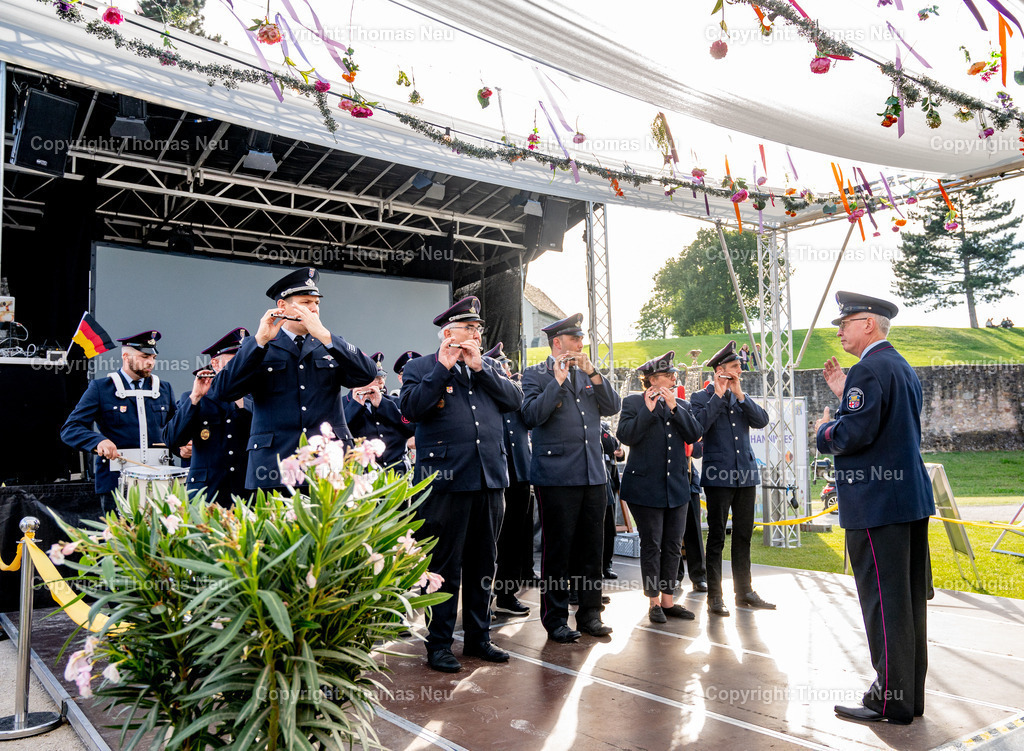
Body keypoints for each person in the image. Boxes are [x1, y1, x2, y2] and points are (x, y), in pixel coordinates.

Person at [814, 291, 935, 726]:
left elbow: (852, 435)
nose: (840, 329)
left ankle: (888, 699)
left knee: (883, 604)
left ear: (869, 324)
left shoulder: (869, 368)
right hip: (907, 500)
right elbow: (883, 424)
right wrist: (847, 394)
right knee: (905, 603)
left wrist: (825, 430)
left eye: (846, 322)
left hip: (877, 503)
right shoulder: (899, 365)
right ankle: (908, 697)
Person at [399, 297, 523, 673]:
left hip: (488, 480)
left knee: (484, 562)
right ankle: (438, 643)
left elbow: (515, 401)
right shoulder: (420, 367)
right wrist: (442, 368)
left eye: (478, 330)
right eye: (469, 329)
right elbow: (411, 410)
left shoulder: (489, 367)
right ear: (448, 332)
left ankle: (479, 638)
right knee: (444, 567)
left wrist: (480, 368)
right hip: (445, 485)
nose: (476, 335)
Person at [209, 267, 378, 491]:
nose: (314, 309)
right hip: (274, 465)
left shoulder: (329, 344)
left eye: (316, 303)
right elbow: (223, 391)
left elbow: (367, 374)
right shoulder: (260, 346)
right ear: (282, 306)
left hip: (326, 466)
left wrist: (326, 336)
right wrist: (258, 342)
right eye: (306, 302)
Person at [521, 313, 621, 643]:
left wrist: (592, 371)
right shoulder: (536, 375)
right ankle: (556, 619)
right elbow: (532, 415)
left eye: (581, 339)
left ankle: (590, 614)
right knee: (558, 552)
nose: (581, 344)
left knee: (591, 549)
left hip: (592, 474)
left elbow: (612, 405)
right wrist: (558, 381)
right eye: (575, 339)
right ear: (557, 343)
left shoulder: (587, 374)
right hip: (556, 477)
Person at [616, 351, 702, 623]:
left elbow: (694, 435)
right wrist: (648, 410)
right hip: (645, 488)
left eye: (673, 374)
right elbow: (626, 435)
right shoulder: (633, 402)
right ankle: (653, 602)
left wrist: (675, 408)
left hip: (676, 487)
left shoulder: (681, 405)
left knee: (674, 544)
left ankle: (668, 601)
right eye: (669, 375)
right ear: (652, 380)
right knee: (652, 544)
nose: (674, 377)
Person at [689, 340, 774, 617]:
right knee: (716, 537)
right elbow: (699, 427)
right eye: (736, 366)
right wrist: (719, 393)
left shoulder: (741, 396)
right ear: (720, 369)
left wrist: (739, 394)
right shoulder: (701, 398)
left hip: (746, 475)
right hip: (718, 478)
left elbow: (761, 420)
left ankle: (744, 591)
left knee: (744, 535)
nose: (741, 370)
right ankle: (715, 595)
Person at [61, 330, 177, 509]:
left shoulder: (164, 388)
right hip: (116, 482)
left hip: (160, 480)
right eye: (145, 356)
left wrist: (184, 444)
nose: (150, 362)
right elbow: (71, 428)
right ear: (125, 356)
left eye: (153, 357)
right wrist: (98, 442)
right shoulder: (101, 388)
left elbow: (175, 429)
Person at [163, 327, 252, 506]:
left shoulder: (254, 397)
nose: (240, 367)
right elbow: (172, 439)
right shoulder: (196, 397)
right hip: (207, 493)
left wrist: (239, 397)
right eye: (234, 362)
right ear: (216, 364)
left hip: (245, 491)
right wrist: (195, 398)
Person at [486, 342, 533, 617]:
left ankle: (506, 593)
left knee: (515, 537)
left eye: (506, 365)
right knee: (490, 540)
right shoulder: (486, 392)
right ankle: (483, 596)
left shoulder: (515, 392)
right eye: (500, 365)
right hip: (495, 473)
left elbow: (530, 419)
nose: (506, 370)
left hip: (519, 472)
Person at [343, 352, 415, 470]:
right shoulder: (341, 405)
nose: (381, 382)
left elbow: (411, 428)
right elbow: (338, 435)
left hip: (397, 474)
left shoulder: (396, 402)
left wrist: (383, 405)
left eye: (382, 377)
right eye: (376, 377)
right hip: (363, 476)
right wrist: (355, 406)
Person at [678, 438, 708, 592]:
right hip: (670, 479)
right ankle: (674, 577)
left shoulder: (689, 416)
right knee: (673, 533)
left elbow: (700, 447)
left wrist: (689, 447)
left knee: (694, 530)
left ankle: (699, 576)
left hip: (690, 480)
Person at [599, 421, 623, 580]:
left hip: (609, 483)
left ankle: (606, 564)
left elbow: (615, 448)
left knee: (609, 528)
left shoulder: (604, 427)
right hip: (596, 481)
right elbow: (608, 444)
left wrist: (620, 452)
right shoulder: (599, 429)